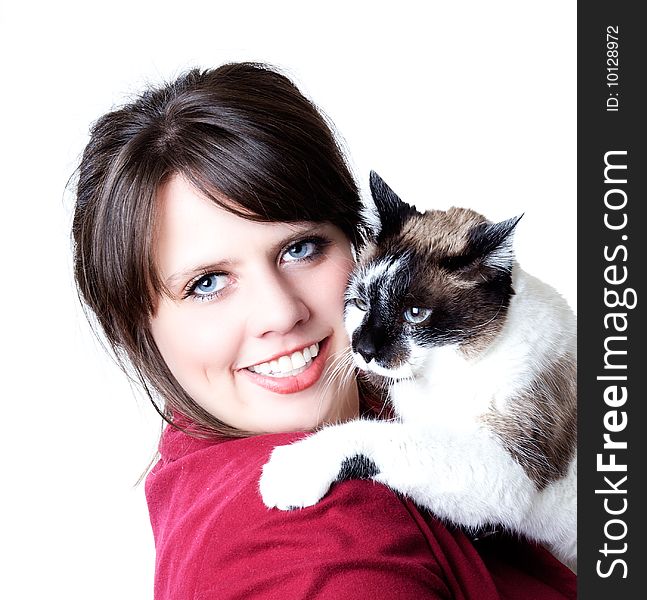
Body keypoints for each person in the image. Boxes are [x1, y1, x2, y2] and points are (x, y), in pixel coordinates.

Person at [72, 62, 576, 599]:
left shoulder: (222, 415)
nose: (280, 313)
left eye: (300, 248)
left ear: (358, 243)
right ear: (135, 327)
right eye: (207, 283)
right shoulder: (321, 552)